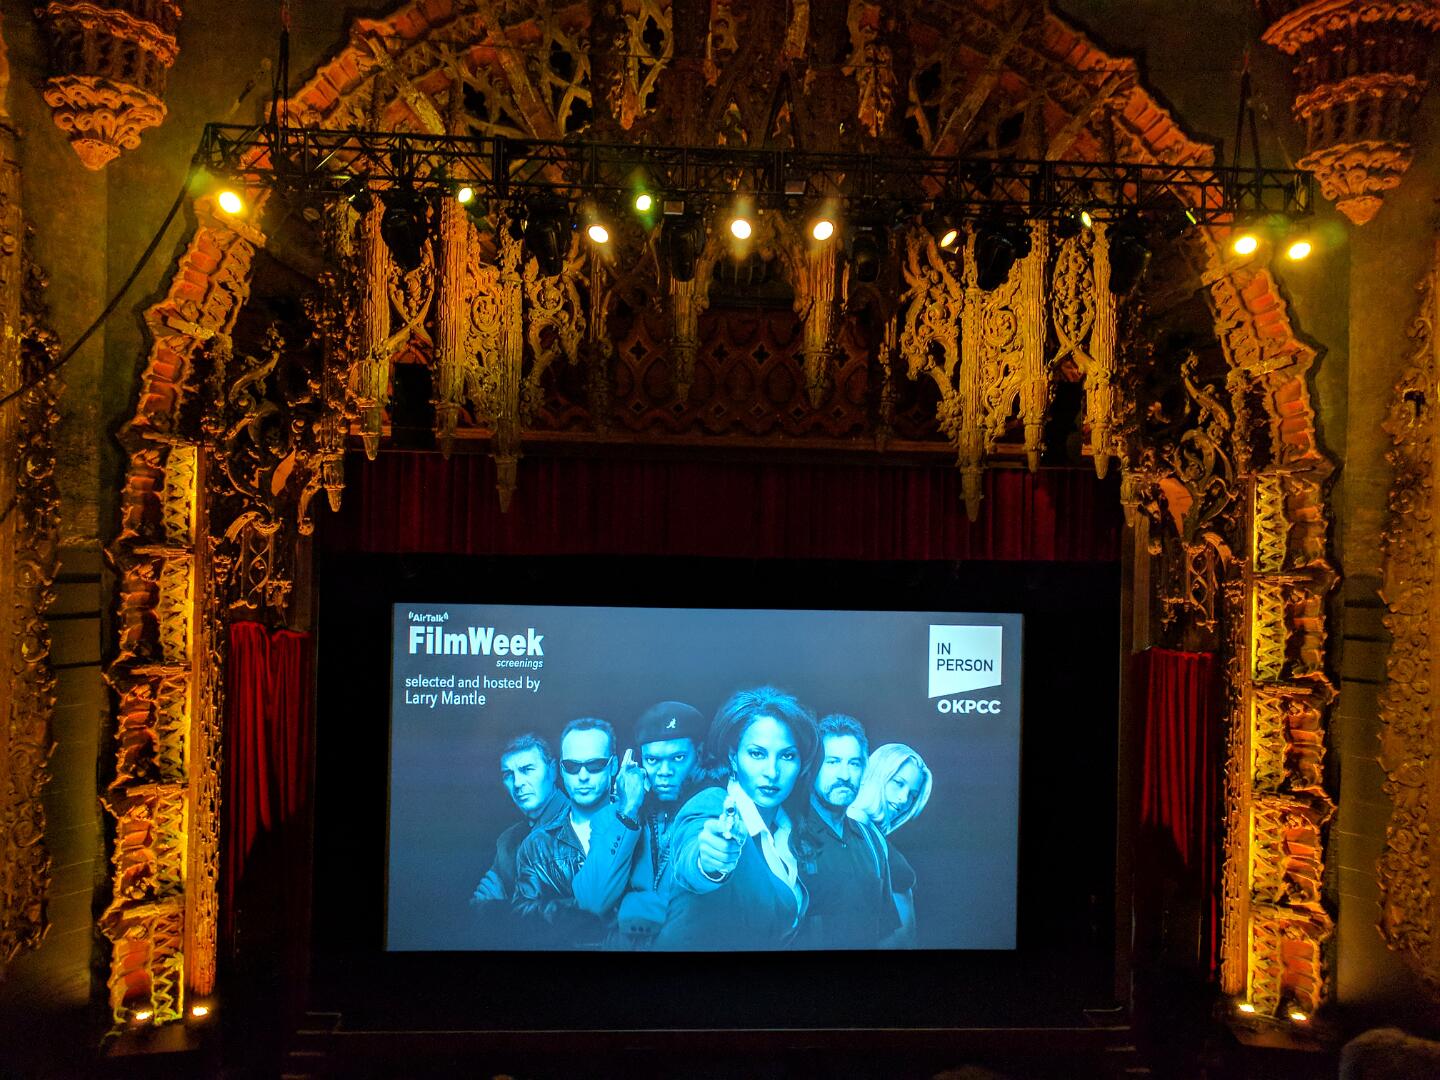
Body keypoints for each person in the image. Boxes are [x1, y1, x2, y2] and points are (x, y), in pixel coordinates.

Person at [656, 686, 818, 949]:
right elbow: (692, 856)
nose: (772, 771)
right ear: (734, 757)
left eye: (787, 756)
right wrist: (709, 862)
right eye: (757, 753)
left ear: (801, 764)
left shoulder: (787, 825)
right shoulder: (712, 804)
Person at [572, 701, 705, 947]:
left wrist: (628, 906)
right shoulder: (611, 818)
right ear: (639, 762)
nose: (664, 771)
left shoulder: (712, 812)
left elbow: (703, 911)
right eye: (652, 760)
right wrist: (628, 810)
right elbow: (591, 901)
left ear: (699, 754)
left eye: (678, 758)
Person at [795, 714, 899, 949]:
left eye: (854, 763)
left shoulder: (872, 841)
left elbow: (886, 931)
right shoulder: (788, 836)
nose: (844, 774)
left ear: (864, 770)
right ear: (812, 767)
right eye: (832, 762)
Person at [512, 718, 617, 945]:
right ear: (561, 769)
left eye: (595, 765)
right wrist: (574, 913)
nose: (583, 776)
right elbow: (522, 913)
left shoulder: (644, 829)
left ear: (614, 765)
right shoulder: (537, 845)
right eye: (572, 766)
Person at [849, 743, 933, 947]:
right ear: (878, 774)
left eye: (913, 794)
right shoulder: (853, 823)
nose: (904, 799)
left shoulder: (869, 830)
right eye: (898, 783)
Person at [470, 733, 568, 905]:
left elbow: (582, 912)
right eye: (508, 774)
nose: (517, 783)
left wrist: (504, 908)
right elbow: (481, 904)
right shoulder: (507, 841)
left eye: (527, 769)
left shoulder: (581, 824)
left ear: (553, 771)